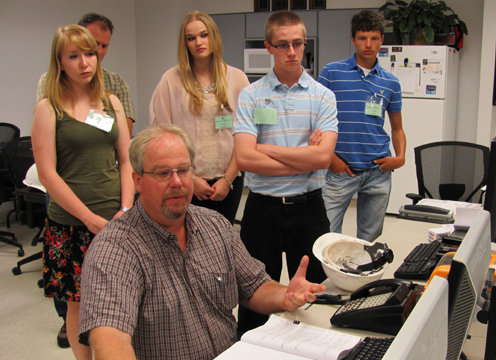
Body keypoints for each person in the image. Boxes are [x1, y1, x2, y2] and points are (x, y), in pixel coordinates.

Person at [78, 124, 326, 360]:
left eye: (183, 170)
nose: (176, 182)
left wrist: (285, 296)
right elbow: (111, 339)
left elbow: (254, 286)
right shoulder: (116, 249)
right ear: (138, 180)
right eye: (163, 173)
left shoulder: (214, 225)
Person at [31, 24, 135, 360]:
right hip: (72, 224)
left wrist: (126, 209)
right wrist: (89, 218)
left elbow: (126, 161)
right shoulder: (49, 108)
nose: (84, 62)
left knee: (123, 297)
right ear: (60, 61)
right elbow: (47, 173)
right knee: (78, 302)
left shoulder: (110, 102)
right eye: (74, 56)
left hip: (117, 220)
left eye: (89, 53)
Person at [233, 10, 338, 333]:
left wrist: (264, 148)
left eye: (297, 43)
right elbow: (245, 160)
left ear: (305, 43)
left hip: (309, 209)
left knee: (313, 294)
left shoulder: (323, 96)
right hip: (262, 210)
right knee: (254, 295)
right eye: (282, 45)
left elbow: (322, 158)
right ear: (268, 47)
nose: (291, 52)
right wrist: (302, 153)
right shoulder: (251, 95)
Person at [149, 11, 249, 225]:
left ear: (213, 36)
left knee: (222, 241)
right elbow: (162, 135)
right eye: (191, 38)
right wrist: (191, 179)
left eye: (204, 35)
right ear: (184, 43)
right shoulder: (171, 80)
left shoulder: (236, 78)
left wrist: (228, 180)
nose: (198, 42)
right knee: (188, 243)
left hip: (227, 182)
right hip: (185, 182)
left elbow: (246, 135)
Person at [317, 10, 406, 242]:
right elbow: (314, 120)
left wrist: (401, 156)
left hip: (378, 171)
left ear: (382, 40)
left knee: (370, 241)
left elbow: (397, 127)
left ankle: (363, 279)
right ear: (353, 39)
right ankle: (326, 280)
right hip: (339, 171)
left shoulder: (391, 82)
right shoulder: (331, 72)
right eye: (362, 38)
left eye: (374, 38)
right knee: (326, 235)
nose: (368, 44)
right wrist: (330, 158)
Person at [37, 12, 136, 137]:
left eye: (104, 46)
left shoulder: (116, 84)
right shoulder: (49, 82)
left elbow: (123, 135)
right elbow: (49, 128)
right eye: (95, 44)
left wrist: (89, 119)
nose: (100, 51)